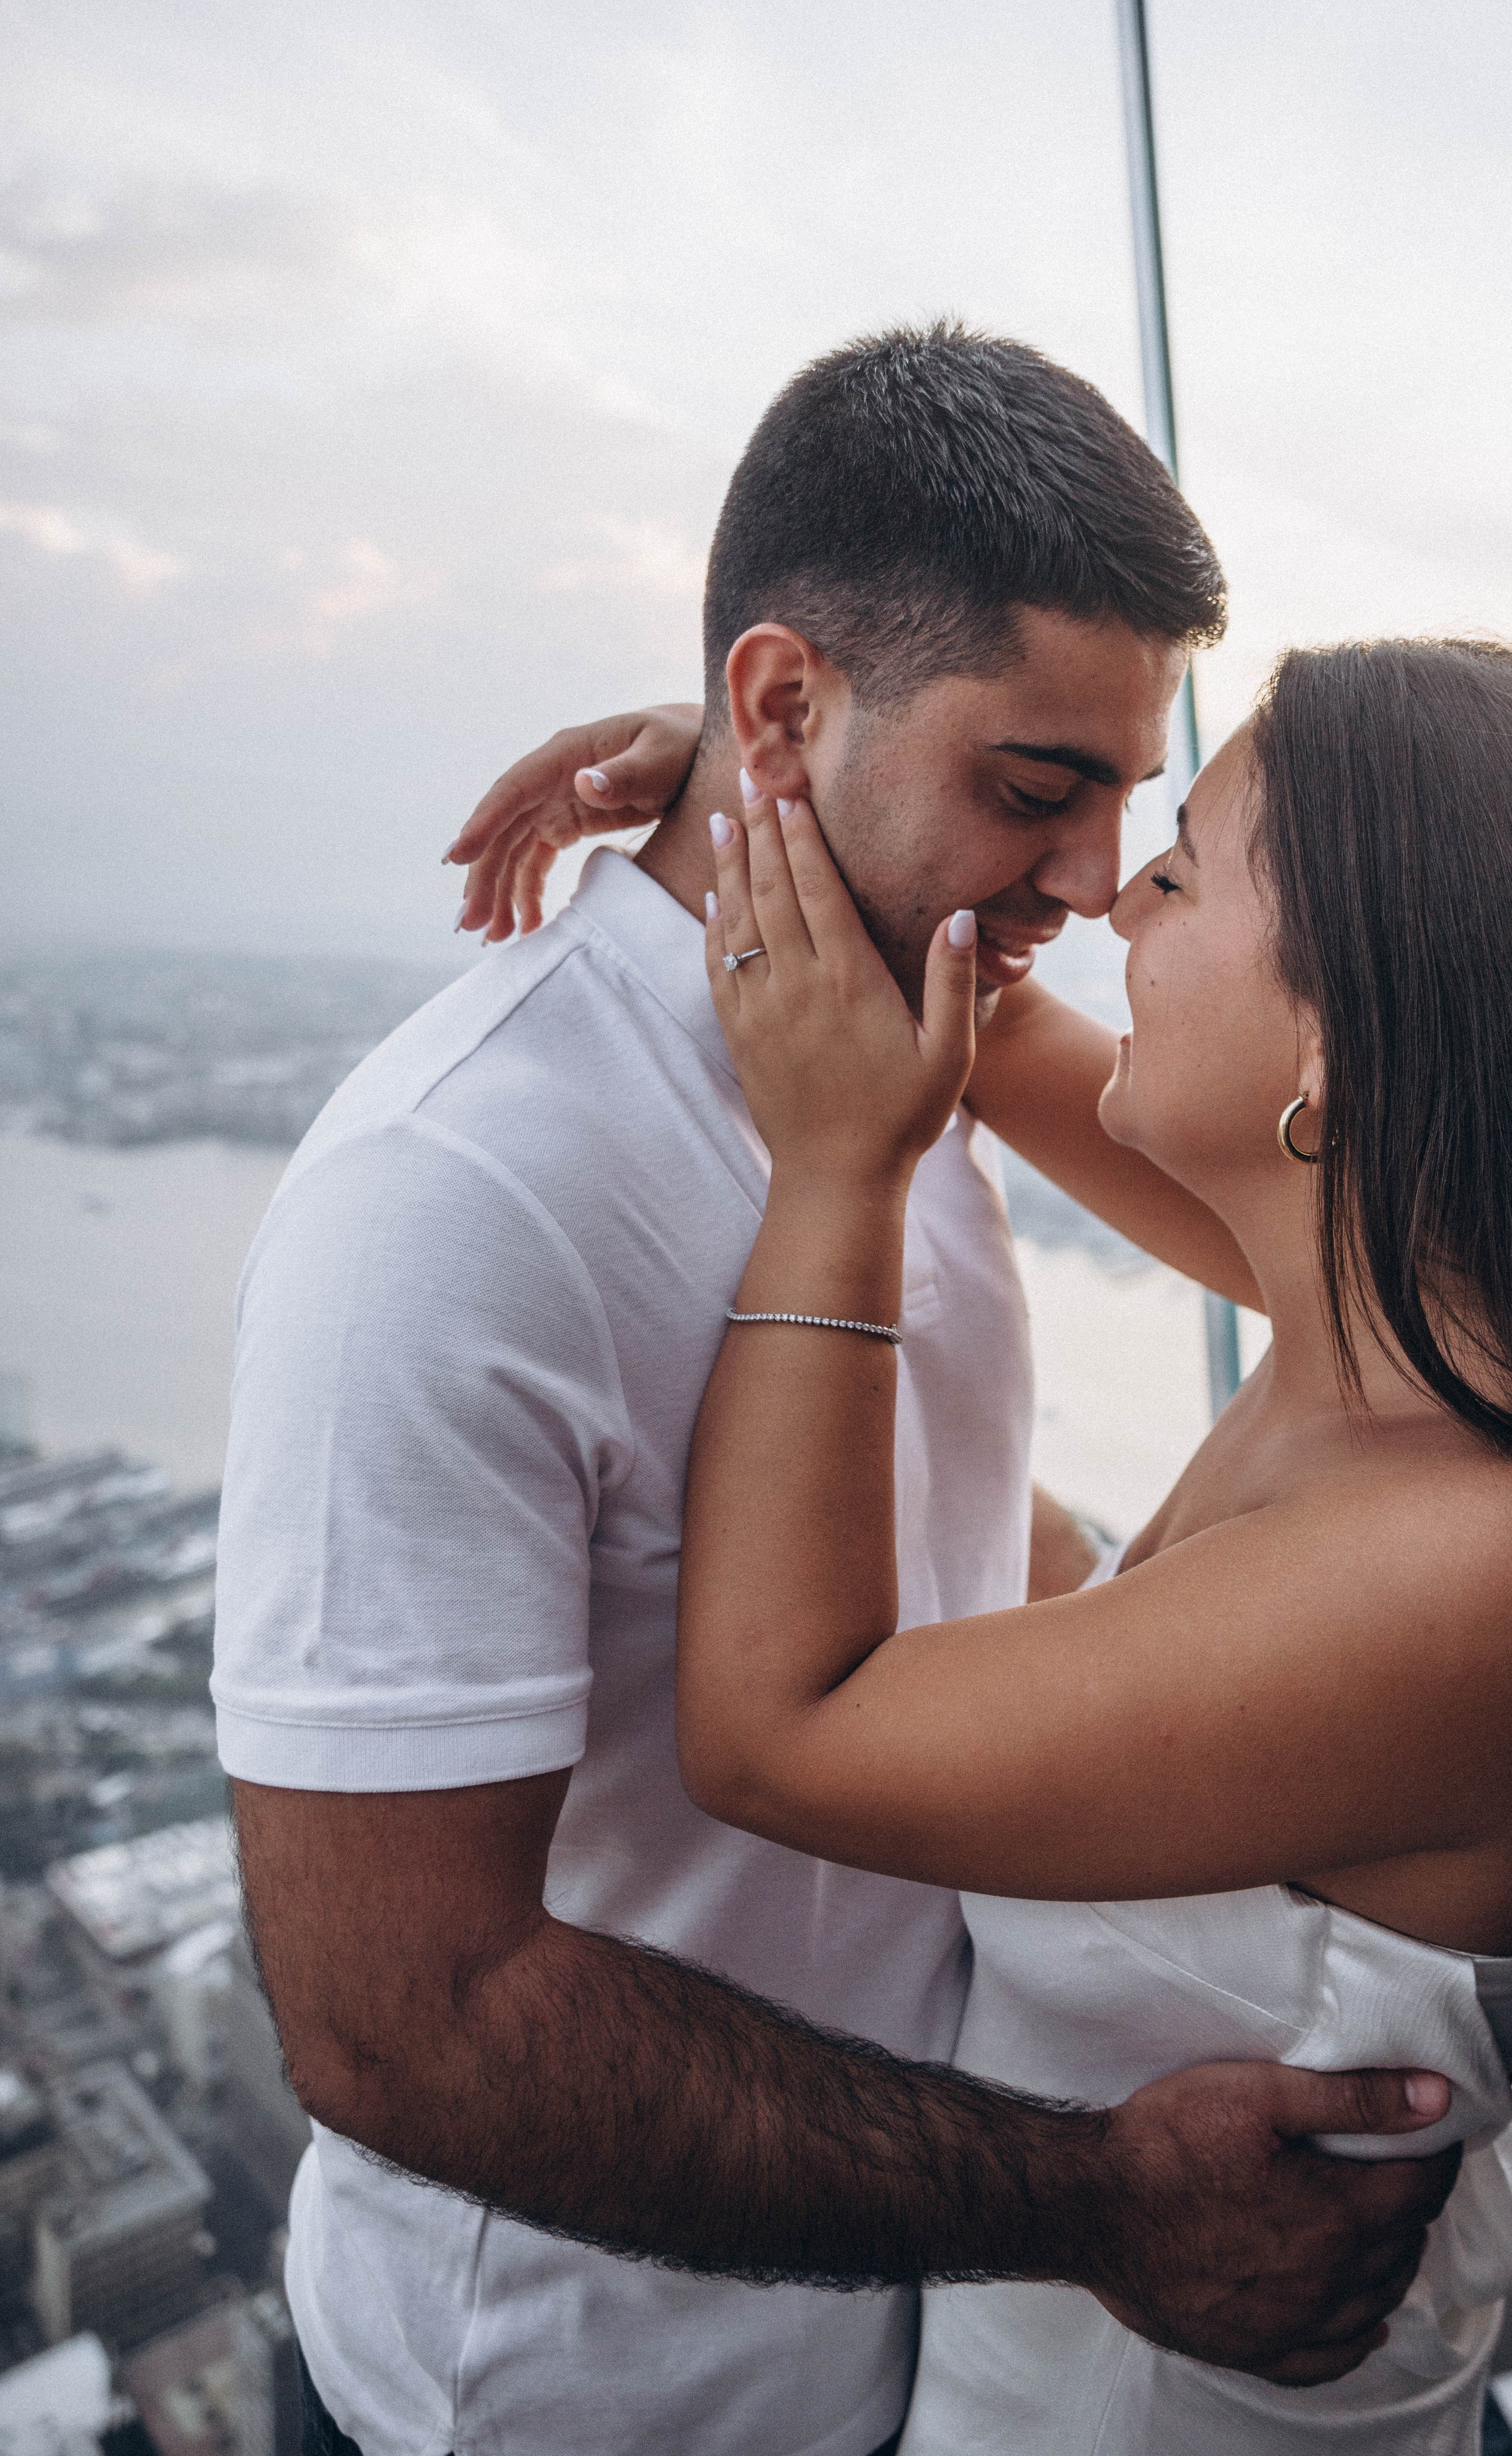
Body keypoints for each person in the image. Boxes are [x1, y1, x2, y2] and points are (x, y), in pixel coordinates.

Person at [217, 329, 1456, 2456]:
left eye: (1133, 816)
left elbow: (903, 1590)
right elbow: (401, 2028)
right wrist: (1087, 2207)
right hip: (583, 2405)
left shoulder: (893, 1076)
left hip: (945, 2341)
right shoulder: (460, 1192)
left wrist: (795, 798)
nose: (1085, 888)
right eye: (1034, 785)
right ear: (786, 702)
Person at [664, 643, 1512, 2451]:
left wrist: (834, 1180)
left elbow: (775, 1726)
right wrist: (774, 792)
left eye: (1182, 869)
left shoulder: (1457, 1571)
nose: (1111, 886)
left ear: (1330, 1045)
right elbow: (975, 1010)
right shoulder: (1380, 1331)